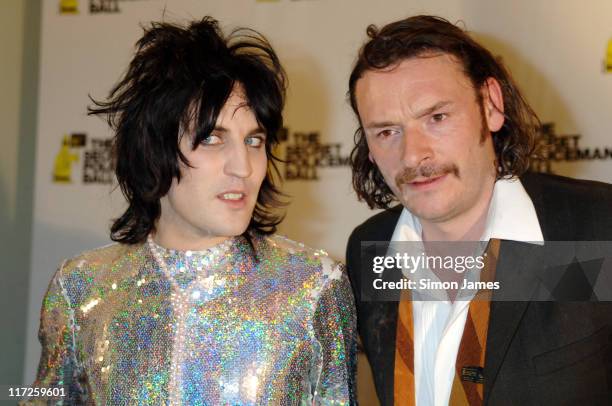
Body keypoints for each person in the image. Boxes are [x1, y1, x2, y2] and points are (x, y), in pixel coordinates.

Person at [28, 17, 356, 405]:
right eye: (213, 139)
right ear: (154, 149)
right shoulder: (80, 289)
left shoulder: (314, 286)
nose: (243, 167)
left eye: (254, 141)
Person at [345, 15, 612, 406]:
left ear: (491, 105)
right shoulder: (369, 251)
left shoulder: (597, 229)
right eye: (387, 132)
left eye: (436, 118)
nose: (413, 154)